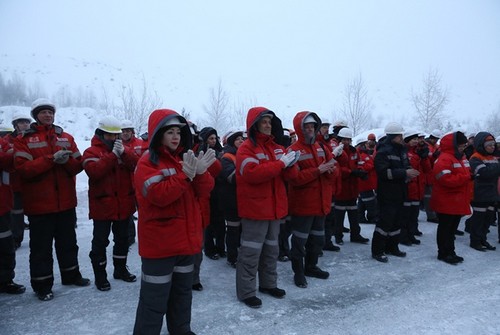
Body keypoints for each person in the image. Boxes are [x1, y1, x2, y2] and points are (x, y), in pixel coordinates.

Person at [133, 109, 215, 334]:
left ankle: (181, 330)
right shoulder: (147, 163)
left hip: (186, 242)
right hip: (160, 246)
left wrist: (200, 173)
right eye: (170, 131)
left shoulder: (184, 158)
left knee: (182, 295)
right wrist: (185, 176)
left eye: (178, 131)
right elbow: (159, 196)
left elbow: (205, 191)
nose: (176, 136)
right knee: (153, 301)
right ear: (158, 134)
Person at [13, 98, 90, 301]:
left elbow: (77, 166)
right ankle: (42, 285)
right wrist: (50, 159)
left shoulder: (65, 137)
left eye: (50, 112)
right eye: (44, 112)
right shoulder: (24, 140)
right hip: (39, 206)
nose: (48, 115)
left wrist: (66, 162)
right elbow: (23, 170)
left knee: (68, 243)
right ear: (36, 116)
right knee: (41, 249)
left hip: (65, 202)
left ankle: (71, 275)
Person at [235, 106, 298, 308]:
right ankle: (246, 292)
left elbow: (291, 176)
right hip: (255, 210)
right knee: (251, 253)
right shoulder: (246, 148)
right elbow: (252, 173)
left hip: (274, 209)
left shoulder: (276, 147)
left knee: (272, 250)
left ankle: (268, 284)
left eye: (270, 122)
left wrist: (291, 165)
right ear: (254, 125)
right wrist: (281, 164)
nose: (268, 125)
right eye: (264, 121)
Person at [83, 116, 138, 291]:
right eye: (109, 136)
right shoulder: (91, 152)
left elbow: (137, 166)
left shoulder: (124, 150)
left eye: (116, 136)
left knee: (122, 240)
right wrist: (113, 156)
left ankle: (120, 270)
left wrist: (124, 153)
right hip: (103, 207)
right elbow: (95, 172)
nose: (114, 139)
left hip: (123, 205)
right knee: (100, 242)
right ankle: (100, 276)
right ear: (100, 134)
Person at [287, 112, 335, 288]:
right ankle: (298, 273)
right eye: (306, 127)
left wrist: (330, 171)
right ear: (300, 129)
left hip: (321, 203)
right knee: (299, 241)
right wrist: (318, 170)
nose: (310, 130)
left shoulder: (321, 147)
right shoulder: (293, 151)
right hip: (303, 205)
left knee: (318, 239)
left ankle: (312, 266)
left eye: (312, 127)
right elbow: (294, 178)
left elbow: (333, 168)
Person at [371, 122, 419, 263]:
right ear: (393, 137)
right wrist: (404, 173)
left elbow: (405, 165)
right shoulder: (383, 151)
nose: (401, 138)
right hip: (387, 193)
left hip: (400, 192)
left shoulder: (401, 150)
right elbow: (382, 172)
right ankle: (378, 251)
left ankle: (392, 247)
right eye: (399, 136)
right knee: (385, 223)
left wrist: (408, 173)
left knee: (397, 221)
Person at [430, 131, 471, 264]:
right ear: (453, 145)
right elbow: (445, 179)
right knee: (445, 229)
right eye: (460, 146)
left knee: (451, 229)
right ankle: (443, 253)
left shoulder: (461, 157)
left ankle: (450, 251)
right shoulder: (444, 159)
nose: (462, 148)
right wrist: (467, 178)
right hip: (446, 200)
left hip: (456, 200)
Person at [333, 127, 370, 245]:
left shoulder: (354, 151)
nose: (346, 142)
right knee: (339, 216)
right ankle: (338, 236)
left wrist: (361, 172)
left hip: (353, 188)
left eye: (348, 139)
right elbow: (337, 168)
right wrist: (351, 172)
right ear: (340, 139)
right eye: (344, 139)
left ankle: (356, 235)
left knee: (354, 214)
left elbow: (359, 163)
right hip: (341, 188)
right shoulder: (337, 152)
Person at [0, 138, 26, 295]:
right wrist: (8, 155)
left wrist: (9, 154)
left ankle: (5, 280)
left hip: (3, 205)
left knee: (5, 245)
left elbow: (12, 163)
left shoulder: (3, 143)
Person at [467, 132, 500, 251]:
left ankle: (483, 239)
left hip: (492, 193)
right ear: (482, 145)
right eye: (489, 145)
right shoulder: (475, 157)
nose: (492, 147)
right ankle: (475, 241)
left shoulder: (493, 158)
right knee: (479, 219)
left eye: (493, 144)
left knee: (488, 219)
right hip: (480, 194)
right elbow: (483, 173)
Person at [399, 130, 431, 246]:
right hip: (408, 188)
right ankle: (403, 236)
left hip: (417, 188)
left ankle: (411, 234)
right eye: (413, 139)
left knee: (414, 214)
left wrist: (425, 157)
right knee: (405, 215)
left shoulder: (417, 153)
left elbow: (427, 169)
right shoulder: (404, 153)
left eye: (417, 139)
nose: (416, 141)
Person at [5, 113, 32, 248]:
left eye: (27, 122)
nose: (25, 125)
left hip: (31, 182)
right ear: (15, 125)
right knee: (16, 213)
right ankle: (16, 238)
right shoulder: (7, 140)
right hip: (15, 184)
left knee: (33, 210)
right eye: (22, 122)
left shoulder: (32, 138)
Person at [219, 129, 245, 268]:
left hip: (242, 199)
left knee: (241, 229)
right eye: (238, 139)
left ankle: (239, 253)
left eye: (242, 139)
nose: (241, 141)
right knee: (233, 229)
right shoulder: (227, 157)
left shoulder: (242, 155)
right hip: (231, 200)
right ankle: (232, 257)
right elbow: (231, 177)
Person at [120, 119, 145, 246]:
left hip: (139, 184)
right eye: (123, 131)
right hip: (125, 184)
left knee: (144, 212)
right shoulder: (116, 145)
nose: (125, 133)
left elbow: (143, 162)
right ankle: (129, 238)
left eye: (128, 131)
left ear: (132, 132)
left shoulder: (141, 144)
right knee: (127, 212)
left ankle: (146, 236)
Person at [356, 134, 379, 224]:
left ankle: (360, 217)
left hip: (368, 182)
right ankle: (372, 217)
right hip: (365, 183)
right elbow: (364, 166)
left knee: (363, 201)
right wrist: (372, 165)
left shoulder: (365, 154)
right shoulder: (361, 155)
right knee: (370, 202)